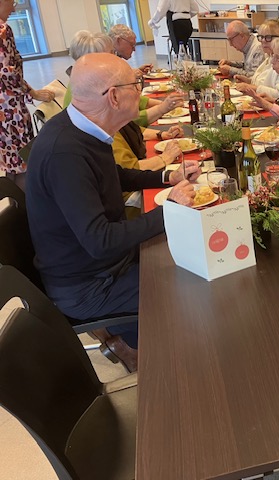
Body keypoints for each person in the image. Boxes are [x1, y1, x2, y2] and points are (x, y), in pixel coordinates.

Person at [26, 53, 200, 373]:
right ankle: (166, 370)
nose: (140, 90)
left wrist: (166, 177)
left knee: (183, 255)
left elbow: (114, 175)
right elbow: (100, 240)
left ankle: (129, 339)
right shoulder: (64, 153)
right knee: (191, 287)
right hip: (88, 284)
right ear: (114, 97)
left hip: (99, 265)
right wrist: (170, 210)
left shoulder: (83, 128)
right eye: (136, 84)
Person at [64, 30, 185, 127]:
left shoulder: (89, 78)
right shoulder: (89, 87)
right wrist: (162, 108)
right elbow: (126, 124)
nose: (115, 57)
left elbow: (131, 100)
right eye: (111, 53)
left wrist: (166, 104)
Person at [0, 0, 55, 191]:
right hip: (10, 108)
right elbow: (7, 72)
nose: (14, 7)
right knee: (23, 161)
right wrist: (33, 93)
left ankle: (16, 204)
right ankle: (29, 206)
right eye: (12, 2)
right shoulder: (3, 29)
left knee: (9, 161)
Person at [234, 19, 279, 99]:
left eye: (268, 37)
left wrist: (250, 87)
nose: (263, 41)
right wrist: (248, 81)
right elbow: (262, 82)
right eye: (261, 37)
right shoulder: (268, 57)